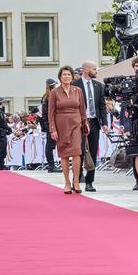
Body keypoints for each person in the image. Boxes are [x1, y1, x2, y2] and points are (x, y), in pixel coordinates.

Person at [47, 66, 89, 194]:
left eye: (69, 75)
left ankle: (76, 181)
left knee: (76, 152)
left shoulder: (78, 91)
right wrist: (52, 129)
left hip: (76, 124)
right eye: (64, 75)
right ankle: (67, 182)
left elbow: (82, 109)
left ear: (72, 77)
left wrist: (85, 122)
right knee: (64, 154)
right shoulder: (54, 92)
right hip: (61, 126)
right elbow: (51, 112)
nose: (66, 77)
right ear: (60, 77)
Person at [76, 61, 106, 192]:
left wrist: (104, 122)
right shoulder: (75, 85)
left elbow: (102, 105)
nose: (96, 71)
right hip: (79, 122)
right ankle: (76, 179)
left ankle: (89, 181)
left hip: (94, 122)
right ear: (86, 69)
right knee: (79, 151)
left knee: (93, 152)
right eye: (94, 69)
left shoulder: (98, 86)